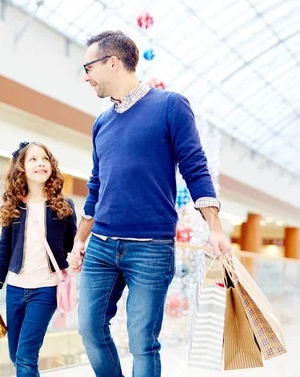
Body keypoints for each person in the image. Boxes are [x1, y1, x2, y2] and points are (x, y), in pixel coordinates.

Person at [66, 30, 232, 377]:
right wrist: (81, 239)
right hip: (101, 246)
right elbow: (97, 186)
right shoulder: (102, 123)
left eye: (88, 67)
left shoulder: (170, 105)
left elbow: (195, 167)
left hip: (151, 249)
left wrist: (214, 228)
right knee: (90, 330)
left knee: (143, 342)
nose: (85, 76)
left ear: (112, 62)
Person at [0, 141, 77, 377]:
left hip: (45, 290)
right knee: (15, 355)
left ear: (51, 166)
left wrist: (78, 256)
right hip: (14, 290)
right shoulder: (14, 206)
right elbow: (3, 252)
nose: (40, 163)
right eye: (33, 159)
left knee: (26, 357)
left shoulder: (64, 206)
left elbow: (72, 247)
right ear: (21, 167)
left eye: (45, 159)